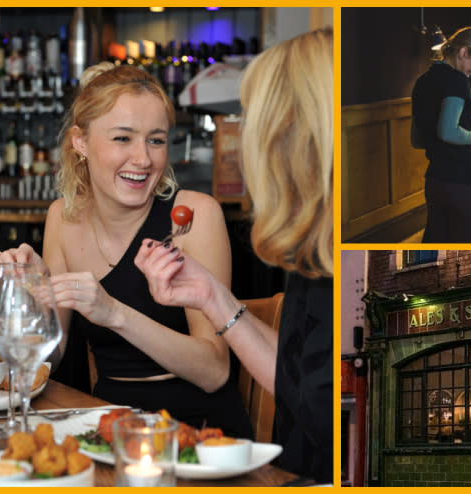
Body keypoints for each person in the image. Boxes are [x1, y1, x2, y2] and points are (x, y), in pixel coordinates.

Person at [0, 63, 252, 439]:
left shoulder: (193, 217)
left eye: (156, 140)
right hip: (105, 427)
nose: (143, 159)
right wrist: (29, 293)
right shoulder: (62, 217)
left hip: (198, 434)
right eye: (123, 139)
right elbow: (49, 361)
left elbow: (214, 371)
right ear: (80, 142)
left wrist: (113, 312)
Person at [134, 28, 333, 484]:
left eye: (250, 119)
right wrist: (212, 297)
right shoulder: (315, 248)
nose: (244, 138)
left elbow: (324, 409)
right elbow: (299, 380)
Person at [410, 26, 471, 243]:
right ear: (463, 52)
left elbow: (417, 139)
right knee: (466, 245)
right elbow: (448, 131)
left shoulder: (422, 81)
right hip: (465, 180)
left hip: (436, 180)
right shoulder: (456, 81)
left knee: (436, 240)